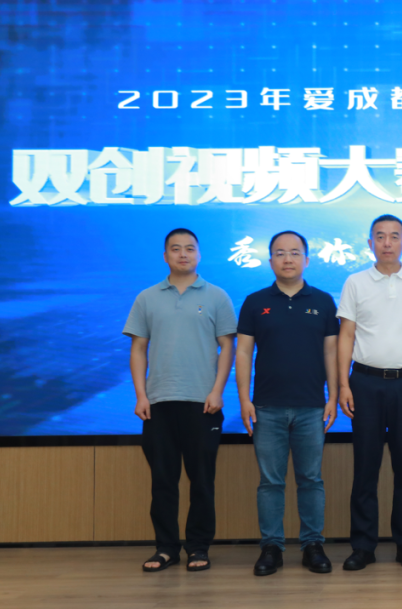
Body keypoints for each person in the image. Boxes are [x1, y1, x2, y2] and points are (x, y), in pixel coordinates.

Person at [123, 228, 236, 573]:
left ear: (199, 255)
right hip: (158, 402)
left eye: (189, 248)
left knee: (202, 481)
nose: (183, 254)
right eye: (175, 249)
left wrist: (217, 391)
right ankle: (166, 548)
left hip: (203, 403)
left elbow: (228, 346)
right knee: (163, 481)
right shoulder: (147, 297)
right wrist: (141, 395)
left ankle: (198, 547)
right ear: (165, 256)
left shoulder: (217, 296)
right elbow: (138, 348)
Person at [236, 231, 339, 576]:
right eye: (280, 253)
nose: (288, 259)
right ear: (270, 261)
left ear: (306, 260)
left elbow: (331, 352)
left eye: (295, 253)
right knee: (270, 482)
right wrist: (244, 400)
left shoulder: (323, 301)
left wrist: (333, 397)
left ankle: (313, 545)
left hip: (312, 406)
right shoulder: (255, 302)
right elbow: (243, 353)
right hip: (267, 407)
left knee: (311, 479)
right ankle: (272, 547)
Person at [337, 215, 402, 570]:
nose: (387, 243)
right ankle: (363, 546)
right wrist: (343, 384)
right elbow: (346, 335)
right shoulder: (355, 282)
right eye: (380, 237)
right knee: (365, 466)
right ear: (370, 243)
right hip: (365, 382)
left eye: (395, 237)